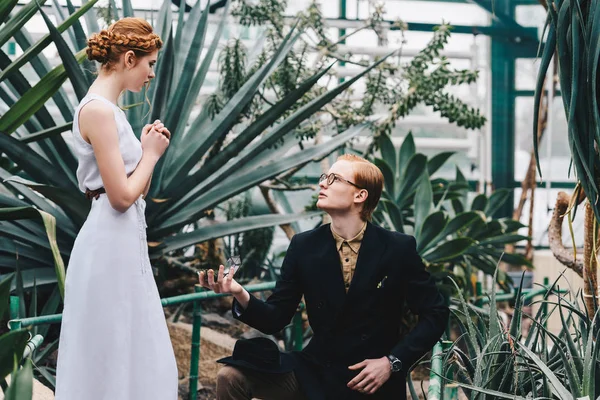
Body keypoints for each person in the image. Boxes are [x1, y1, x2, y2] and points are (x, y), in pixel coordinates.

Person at [199, 154, 450, 400]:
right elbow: (276, 318)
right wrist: (238, 292)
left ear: (360, 195)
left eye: (335, 179)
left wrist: (392, 362)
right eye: (324, 177)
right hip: (317, 370)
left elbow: (435, 313)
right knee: (231, 376)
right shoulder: (304, 245)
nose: (322, 183)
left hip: (371, 379)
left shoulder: (397, 248)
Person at [55, 17, 178, 400]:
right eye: (149, 63)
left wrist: (142, 150)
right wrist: (152, 155)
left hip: (120, 241)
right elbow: (123, 197)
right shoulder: (99, 111)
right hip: (109, 240)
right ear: (128, 58)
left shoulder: (108, 110)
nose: (152, 73)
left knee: (129, 343)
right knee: (109, 346)